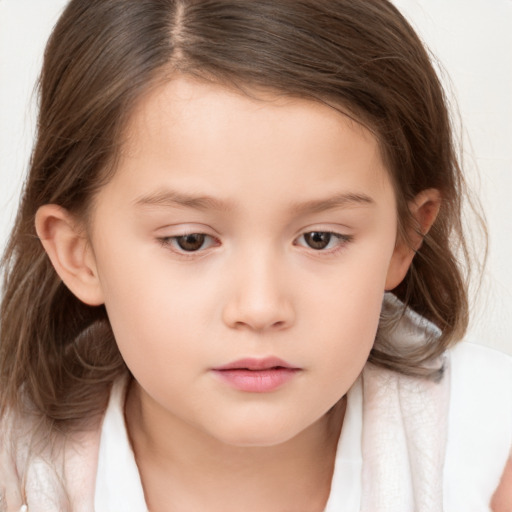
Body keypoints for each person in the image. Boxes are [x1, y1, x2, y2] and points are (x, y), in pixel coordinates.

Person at [0, 0, 510, 510]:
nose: (261, 307)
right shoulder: (18, 467)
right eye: (190, 241)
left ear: (404, 238)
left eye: (319, 238)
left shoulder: (489, 453)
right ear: (78, 253)